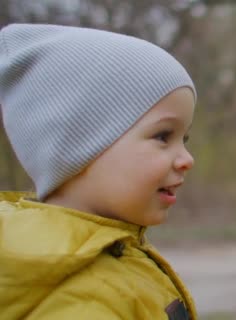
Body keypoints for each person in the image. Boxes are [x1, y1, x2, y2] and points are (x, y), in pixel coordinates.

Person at [0, 23, 198, 319]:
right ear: (79, 146)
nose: (187, 159)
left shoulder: (112, 254)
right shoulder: (81, 301)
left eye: (183, 139)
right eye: (162, 136)